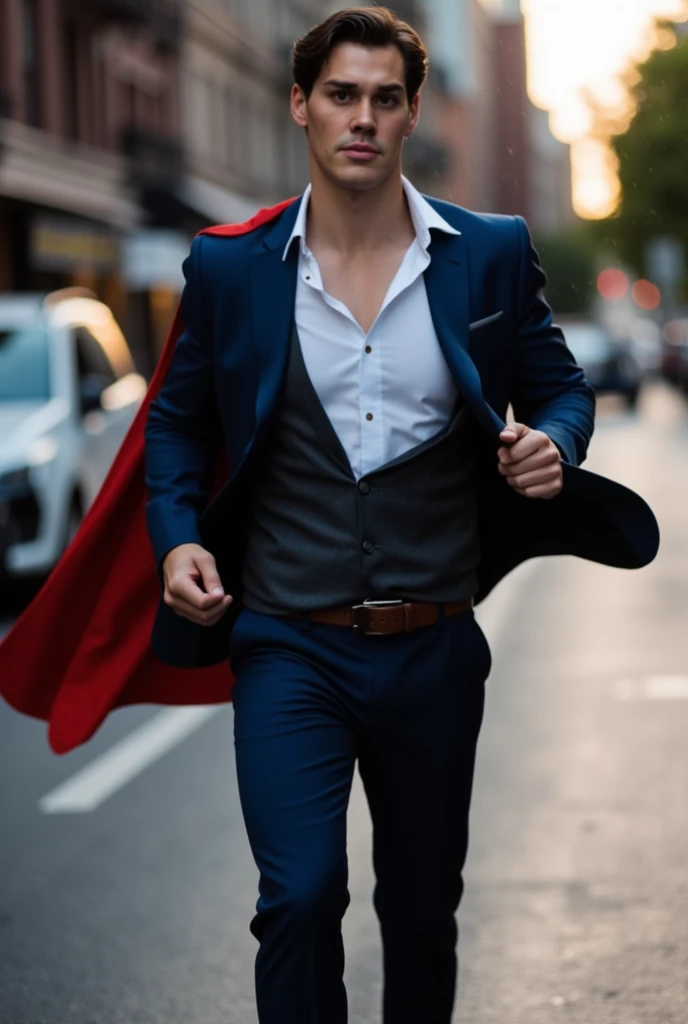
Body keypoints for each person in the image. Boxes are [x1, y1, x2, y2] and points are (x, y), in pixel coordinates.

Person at [0, 5, 658, 1023]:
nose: (362, 117)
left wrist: (553, 442)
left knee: (421, 908)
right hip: (286, 645)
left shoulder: (485, 253)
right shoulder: (231, 269)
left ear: (410, 114)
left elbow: (562, 386)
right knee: (299, 894)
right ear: (300, 105)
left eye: (384, 99)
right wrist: (176, 539)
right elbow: (174, 427)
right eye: (341, 95)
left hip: (434, 645)